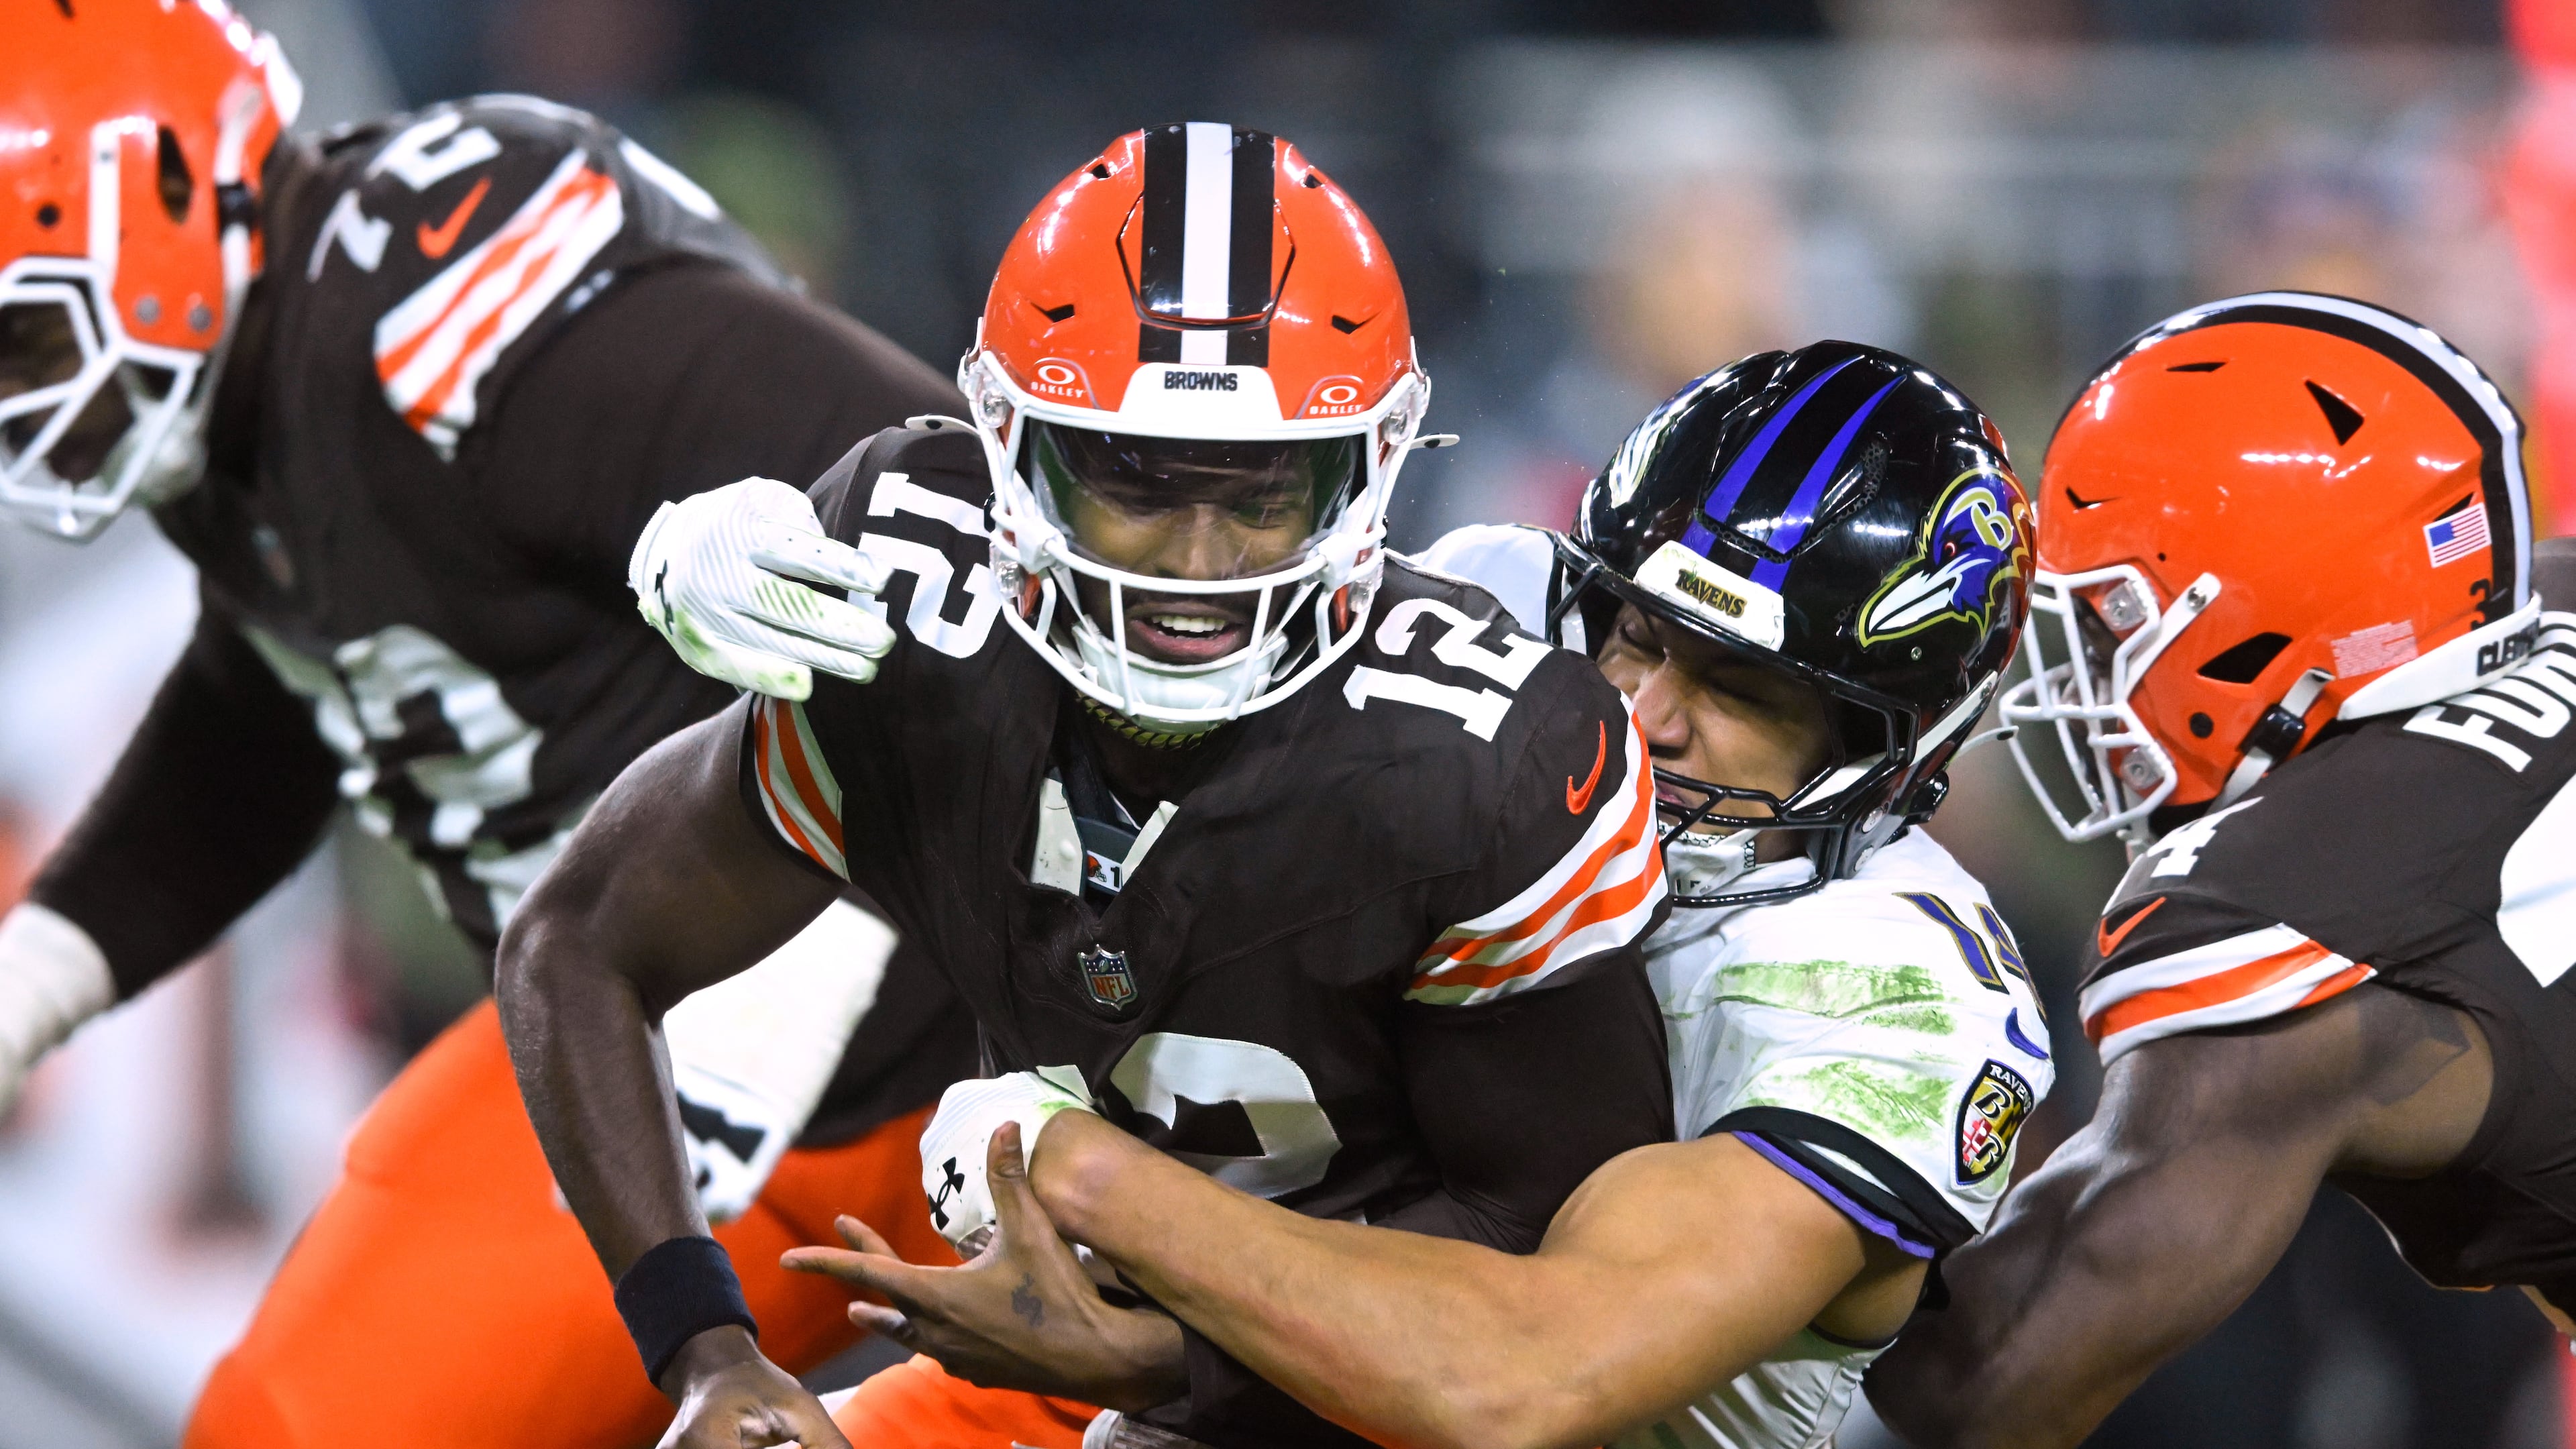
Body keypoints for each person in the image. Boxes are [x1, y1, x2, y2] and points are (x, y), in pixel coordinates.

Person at [494, 121, 1679, 1449]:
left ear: (1368, 468)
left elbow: (1552, 1324)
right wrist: (706, 1351)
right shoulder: (917, 617)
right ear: (1010, 448)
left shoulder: (1480, 761)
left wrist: (1159, 1362)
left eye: (1264, 491)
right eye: (1133, 482)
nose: (1196, 564)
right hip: (1071, 1361)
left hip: (1384, 1402)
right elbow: (577, 944)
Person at [643, 342, 2057, 1449]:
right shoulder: (1501, 625)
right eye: (1638, 635)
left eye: (1741, 691)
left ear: (1896, 746)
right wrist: (825, 537)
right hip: (1175, 1365)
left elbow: (1527, 1376)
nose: (1646, 713)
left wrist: (1095, 1188)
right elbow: (1165, 571)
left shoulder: (1893, 999)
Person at [0, 5, 978, 1446]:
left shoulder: (444, 316)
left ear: (162, 206)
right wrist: (42, 973)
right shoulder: (257, 383)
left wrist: (811, 894)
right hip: (649, 1056)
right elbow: (275, 694)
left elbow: (952, 505)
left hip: (923, 1021)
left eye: (18, 330)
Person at [1860, 290, 2576, 1446]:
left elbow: (1981, 1384)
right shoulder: (2552, 587)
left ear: (2265, 614)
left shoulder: (2287, 899)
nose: (2084, 680)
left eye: (2107, 629)